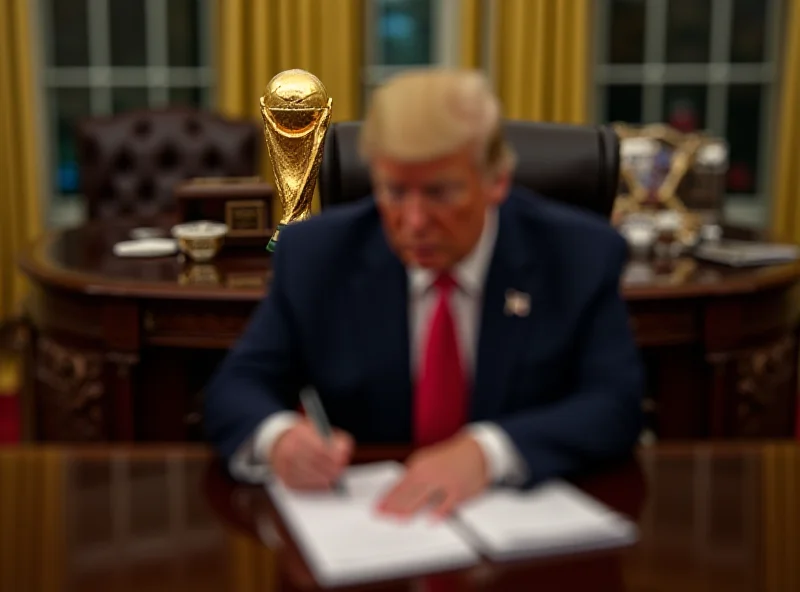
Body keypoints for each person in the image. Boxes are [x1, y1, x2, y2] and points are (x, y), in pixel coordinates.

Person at [204, 68, 644, 518]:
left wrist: (488, 453)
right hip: (371, 529)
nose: (414, 222)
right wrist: (278, 439)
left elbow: (615, 404)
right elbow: (235, 387)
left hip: (523, 530)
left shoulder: (579, 255)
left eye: (439, 193)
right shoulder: (317, 256)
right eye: (394, 192)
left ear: (497, 180)